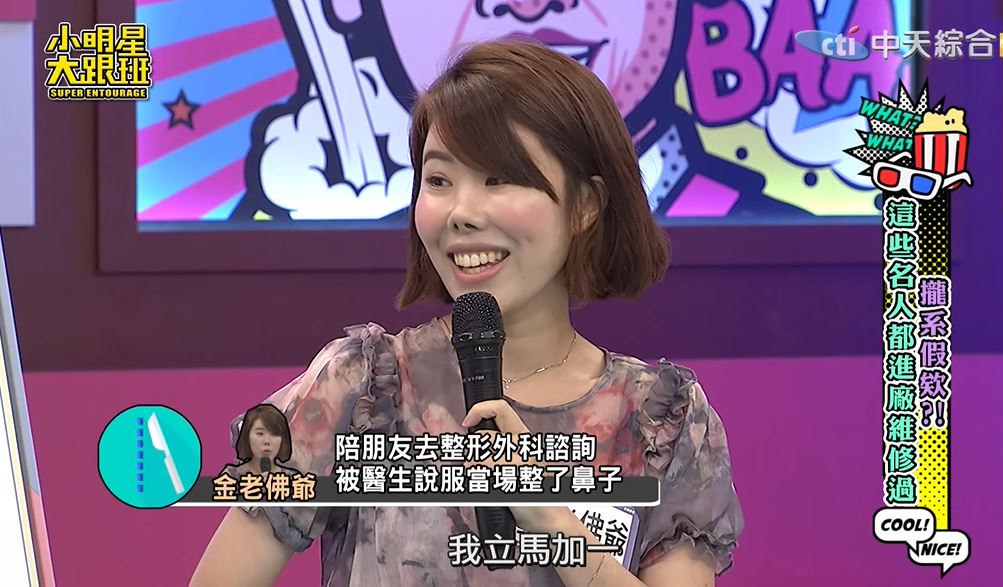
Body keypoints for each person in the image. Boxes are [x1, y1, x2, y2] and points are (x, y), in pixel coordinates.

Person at [191, 39, 743, 587]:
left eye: (498, 179)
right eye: (439, 181)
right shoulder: (365, 388)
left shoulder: (659, 421)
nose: (461, 212)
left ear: (585, 205)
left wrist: (551, 519)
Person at [225, 404, 300, 479]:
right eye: (260, 434)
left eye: (274, 434)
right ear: (247, 437)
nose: (267, 441)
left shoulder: (294, 478)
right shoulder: (230, 476)